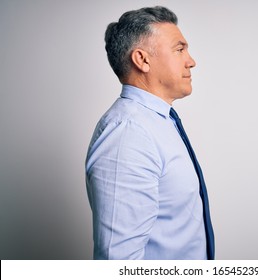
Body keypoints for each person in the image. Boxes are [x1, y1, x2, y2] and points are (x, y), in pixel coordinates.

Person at [85, 6, 215, 260]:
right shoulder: (128, 134)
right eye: (179, 49)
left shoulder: (156, 122)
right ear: (142, 60)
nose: (191, 61)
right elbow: (118, 262)